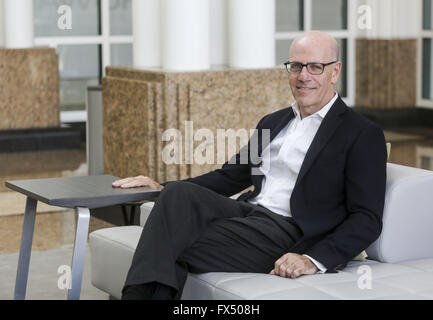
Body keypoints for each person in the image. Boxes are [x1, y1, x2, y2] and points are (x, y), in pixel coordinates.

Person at [113, 31, 387, 300]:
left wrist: (312, 259)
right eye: (296, 66)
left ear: (335, 71)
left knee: (169, 242)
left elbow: (366, 218)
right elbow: (230, 176)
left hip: (289, 232)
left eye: (315, 67)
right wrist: (160, 186)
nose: (304, 76)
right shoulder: (274, 122)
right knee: (176, 196)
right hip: (248, 214)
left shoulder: (361, 133)